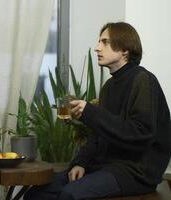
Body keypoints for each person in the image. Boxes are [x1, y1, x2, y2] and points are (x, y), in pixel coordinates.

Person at [24, 22, 171, 200]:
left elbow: (140, 134)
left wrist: (91, 112)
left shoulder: (143, 80)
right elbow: (98, 136)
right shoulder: (109, 87)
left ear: (125, 50)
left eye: (105, 42)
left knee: (70, 194)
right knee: (38, 192)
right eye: (98, 42)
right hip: (105, 166)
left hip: (135, 172)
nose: (97, 48)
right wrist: (80, 163)